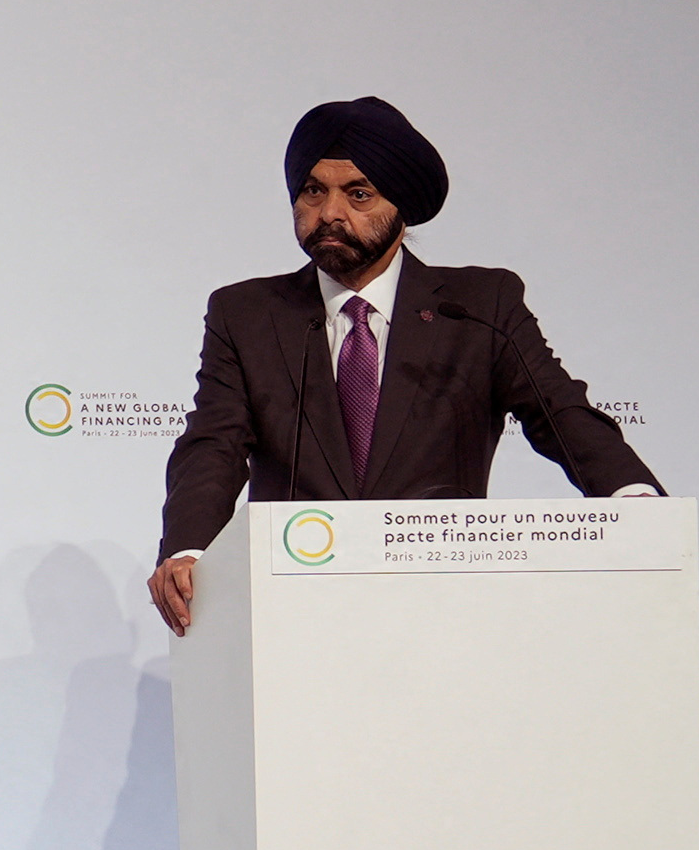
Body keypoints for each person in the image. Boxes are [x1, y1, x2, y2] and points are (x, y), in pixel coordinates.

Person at [149, 94, 657, 633]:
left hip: (445, 604)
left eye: (358, 194)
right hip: (296, 606)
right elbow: (214, 444)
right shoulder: (247, 313)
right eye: (312, 191)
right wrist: (189, 548)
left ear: (402, 208)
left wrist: (637, 502)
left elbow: (560, 413)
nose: (329, 214)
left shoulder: (480, 307)